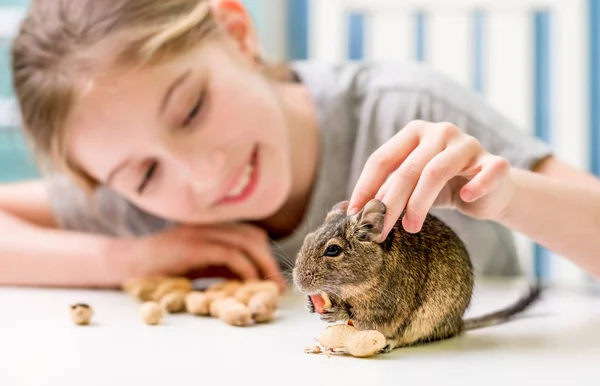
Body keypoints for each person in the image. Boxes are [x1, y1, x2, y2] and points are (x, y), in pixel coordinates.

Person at [2, 0, 600, 290]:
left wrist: (511, 196)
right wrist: (128, 260)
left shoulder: (402, 109)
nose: (203, 175)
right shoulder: (143, 213)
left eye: (191, 109)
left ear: (238, 34)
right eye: (145, 175)